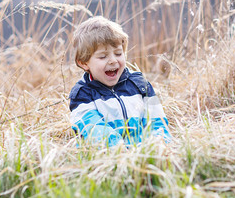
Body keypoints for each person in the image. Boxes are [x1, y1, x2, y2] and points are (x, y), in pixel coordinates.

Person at [69, 16, 171, 147]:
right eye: (103, 56)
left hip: (145, 154)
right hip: (107, 158)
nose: (113, 60)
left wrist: (159, 143)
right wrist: (120, 150)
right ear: (84, 63)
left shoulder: (140, 85)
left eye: (118, 53)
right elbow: (93, 128)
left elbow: (157, 121)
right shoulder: (82, 95)